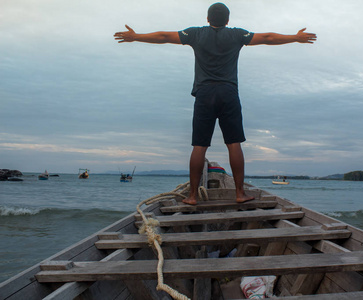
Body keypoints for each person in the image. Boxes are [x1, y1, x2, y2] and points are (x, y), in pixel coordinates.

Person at [114, 2, 316, 205]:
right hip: (228, 93)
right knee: (234, 143)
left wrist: (136, 36)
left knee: (199, 146)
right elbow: (268, 38)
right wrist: (296, 38)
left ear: (208, 19)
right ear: (228, 20)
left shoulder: (195, 33)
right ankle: (239, 193)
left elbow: (164, 36)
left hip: (205, 93)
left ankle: (192, 196)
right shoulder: (238, 35)